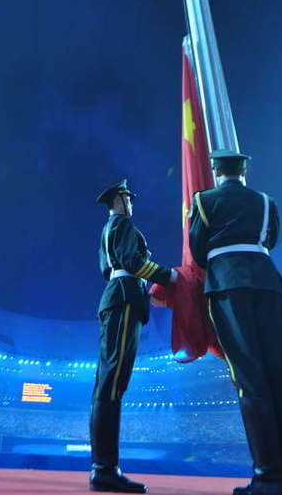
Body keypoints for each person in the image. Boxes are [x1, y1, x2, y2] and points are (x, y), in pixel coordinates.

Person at [189, 151, 282, 495]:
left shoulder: (204, 199)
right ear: (244, 171)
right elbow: (270, 239)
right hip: (269, 283)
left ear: (216, 171)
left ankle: (268, 479)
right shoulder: (267, 201)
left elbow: (197, 249)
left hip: (228, 285)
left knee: (251, 380)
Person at [90, 180, 174, 493]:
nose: (131, 201)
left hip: (119, 295)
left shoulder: (110, 228)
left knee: (106, 385)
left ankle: (103, 468)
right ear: (121, 199)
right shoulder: (123, 222)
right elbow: (132, 262)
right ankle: (105, 470)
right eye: (128, 197)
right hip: (124, 298)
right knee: (112, 384)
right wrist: (170, 276)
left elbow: (112, 267)